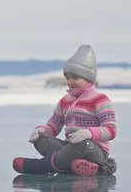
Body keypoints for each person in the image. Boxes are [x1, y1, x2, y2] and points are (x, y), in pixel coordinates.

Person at [12, 45, 117, 176]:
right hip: (70, 148)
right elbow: (53, 126)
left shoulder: (100, 100)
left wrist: (88, 133)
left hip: (95, 150)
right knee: (41, 139)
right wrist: (41, 130)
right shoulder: (64, 101)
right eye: (67, 77)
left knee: (82, 144)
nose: (70, 82)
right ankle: (76, 166)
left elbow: (111, 130)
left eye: (75, 78)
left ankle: (41, 166)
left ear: (88, 78)